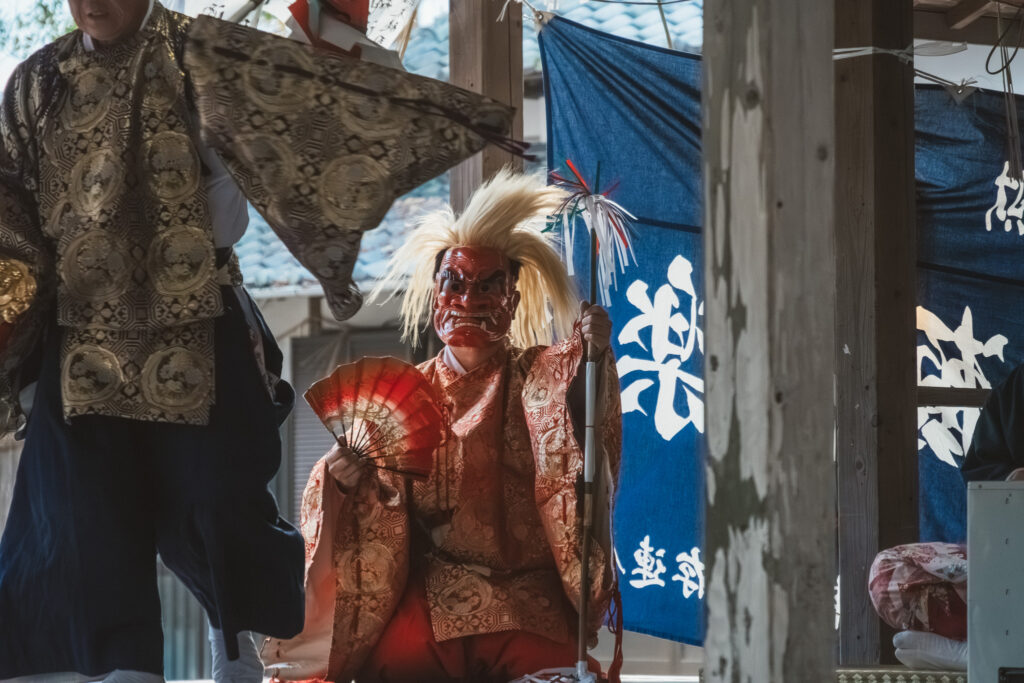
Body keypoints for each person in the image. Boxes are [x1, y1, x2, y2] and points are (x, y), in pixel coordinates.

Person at [0, 1, 512, 681]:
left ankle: (233, 631)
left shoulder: (207, 56)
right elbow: (10, 215)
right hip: (80, 342)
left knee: (213, 497)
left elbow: (307, 131)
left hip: (193, 321)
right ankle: (115, 668)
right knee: (81, 514)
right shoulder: (35, 85)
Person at [263, 170, 623, 683]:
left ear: (514, 301)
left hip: (529, 594)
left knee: (554, 670)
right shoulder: (402, 396)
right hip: (432, 593)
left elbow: (585, 425)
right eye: (455, 283)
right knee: (396, 662)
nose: (469, 298)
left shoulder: (544, 375)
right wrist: (341, 480)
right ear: (435, 297)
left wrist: (593, 354)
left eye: (489, 285)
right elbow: (372, 512)